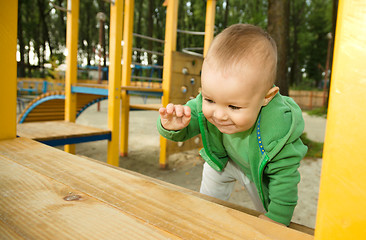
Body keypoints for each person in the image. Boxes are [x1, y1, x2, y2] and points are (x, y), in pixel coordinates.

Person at [157, 23, 307, 226]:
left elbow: (285, 178)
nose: (219, 114)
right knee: (210, 187)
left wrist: (277, 220)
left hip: (260, 171)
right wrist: (172, 126)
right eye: (210, 100)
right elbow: (191, 120)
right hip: (226, 160)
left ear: (266, 97)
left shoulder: (277, 131)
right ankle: (205, 215)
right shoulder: (208, 103)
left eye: (234, 107)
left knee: (269, 218)